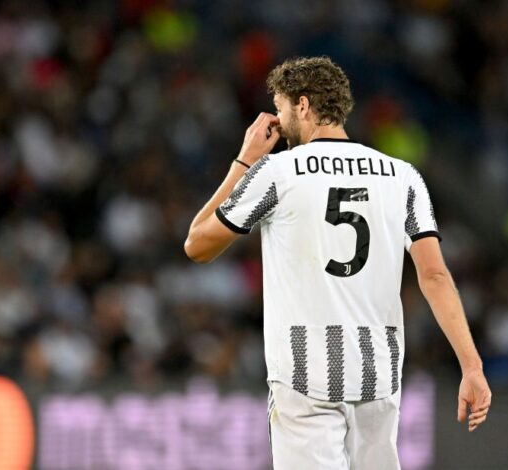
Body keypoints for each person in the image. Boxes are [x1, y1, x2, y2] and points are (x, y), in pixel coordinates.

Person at [184, 56, 491, 469]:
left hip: (303, 374)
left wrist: (244, 161)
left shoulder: (278, 171)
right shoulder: (402, 176)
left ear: (304, 105)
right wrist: (471, 366)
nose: (277, 119)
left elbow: (197, 244)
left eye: (280, 108)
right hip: (377, 374)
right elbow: (434, 275)